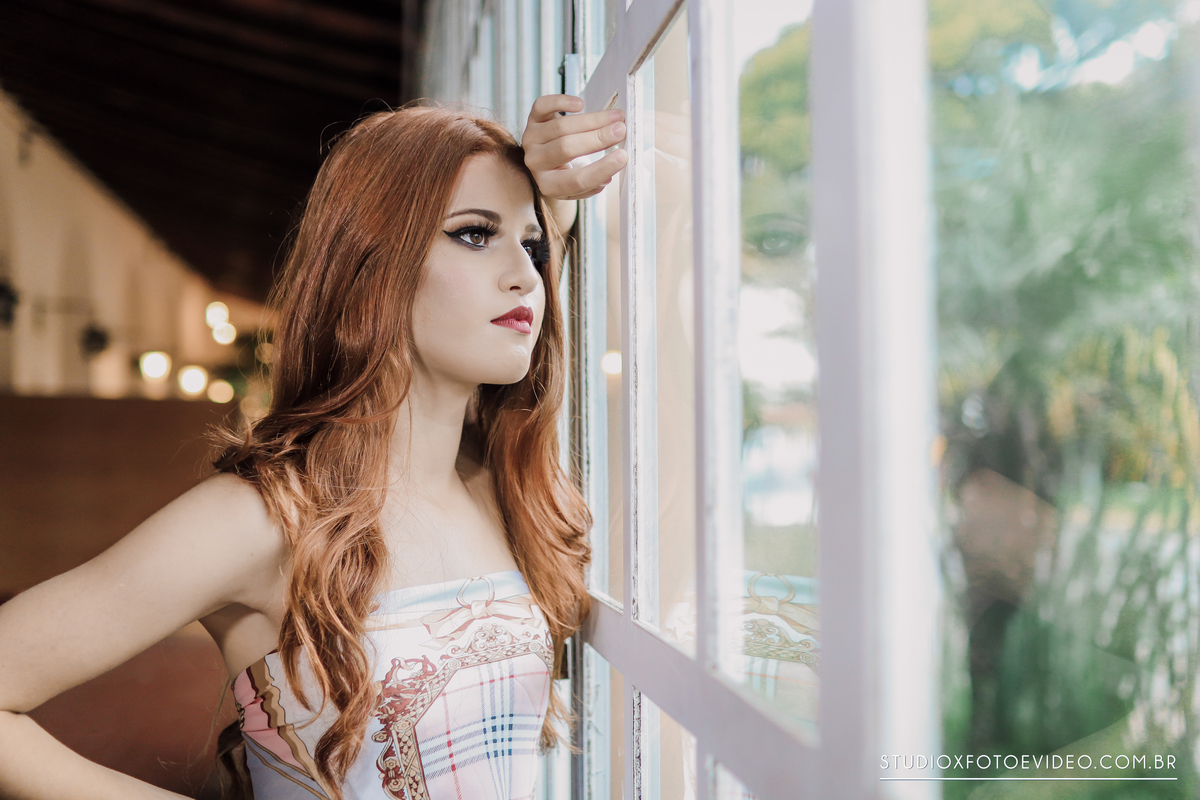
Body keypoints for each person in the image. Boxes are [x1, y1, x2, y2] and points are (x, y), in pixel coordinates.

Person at [0, 94, 629, 800]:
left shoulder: (495, 488)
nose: (526, 275)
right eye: (475, 234)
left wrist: (555, 204)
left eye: (533, 246)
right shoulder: (264, 520)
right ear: (371, 266)